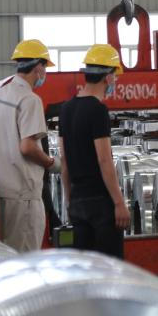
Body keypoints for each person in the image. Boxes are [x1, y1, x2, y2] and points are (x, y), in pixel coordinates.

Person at [0, 39, 60, 252]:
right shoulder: (30, 100)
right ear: (38, 67)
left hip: (1, 191)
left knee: (7, 255)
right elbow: (28, 147)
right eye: (45, 68)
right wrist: (52, 163)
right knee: (25, 260)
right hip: (24, 195)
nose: (45, 74)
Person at [58, 44, 130, 257]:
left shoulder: (66, 109)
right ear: (107, 77)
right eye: (115, 77)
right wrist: (119, 203)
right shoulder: (98, 110)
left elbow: (64, 162)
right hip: (100, 203)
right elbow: (104, 160)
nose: (115, 82)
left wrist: (70, 201)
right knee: (110, 271)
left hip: (78, 202)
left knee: (85, 269)